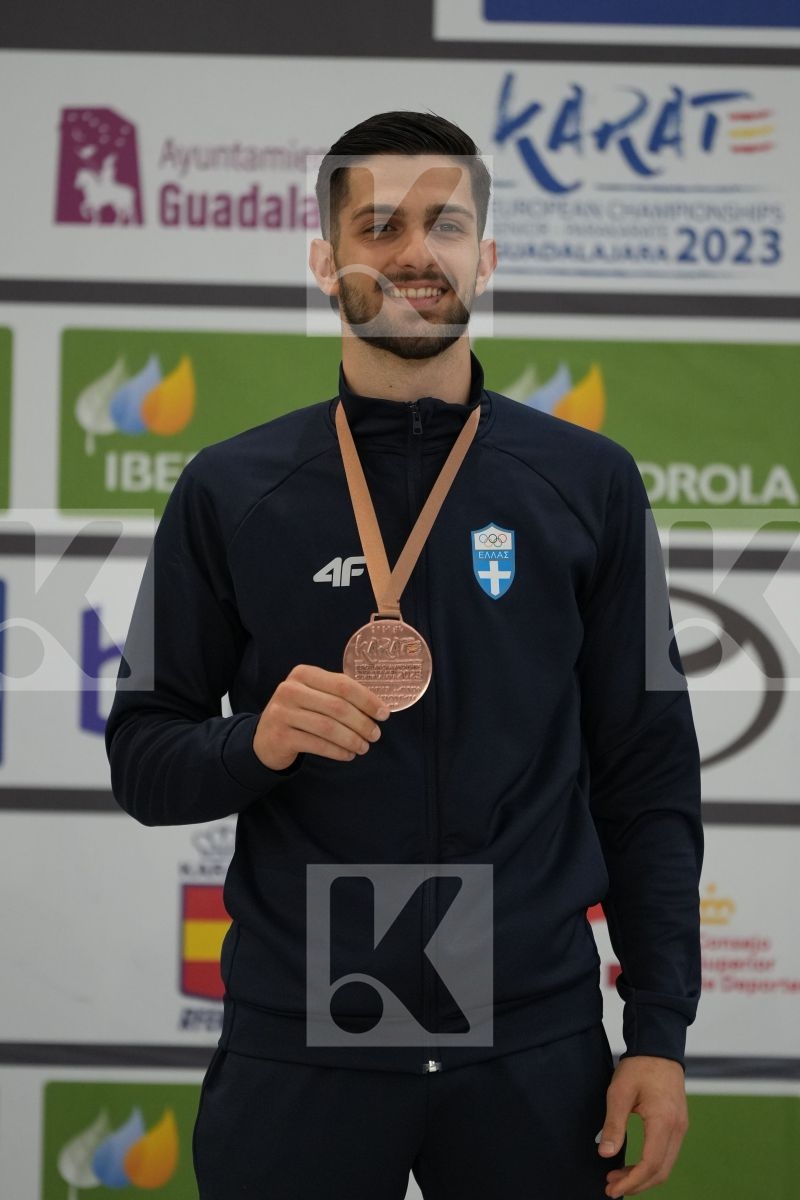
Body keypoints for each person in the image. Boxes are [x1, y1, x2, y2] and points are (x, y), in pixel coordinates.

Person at [105, 111, 703, 1199]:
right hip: (299, 1044)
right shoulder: (232, 491)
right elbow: (143, 759)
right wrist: (257, 743)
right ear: (325, 259)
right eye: (378, 224)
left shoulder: (588, 483)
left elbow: (646, 773)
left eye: (446, 224)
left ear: (486, 255)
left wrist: (657, 1030)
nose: (414, 252)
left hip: (532, 1044)